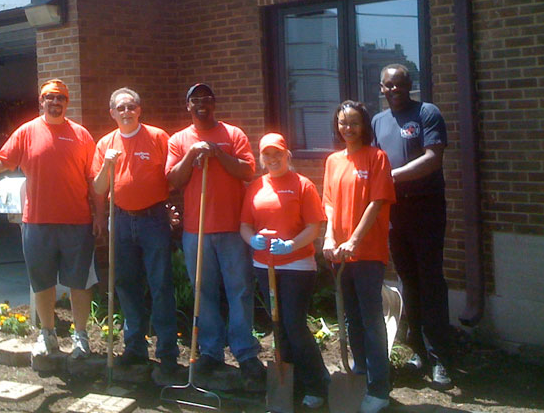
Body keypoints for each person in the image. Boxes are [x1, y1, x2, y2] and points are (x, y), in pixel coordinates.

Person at [0, 79, 101, 360]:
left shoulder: (81, 135)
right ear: (41, 101)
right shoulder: (27, 132)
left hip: (77, 222)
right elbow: (0, 161)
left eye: (61, 99)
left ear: (67, 103)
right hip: (37, 221)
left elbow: (93, 180)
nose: (56, 103)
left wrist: (99, 215)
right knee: (42, 282)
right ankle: (48, 335)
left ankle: (80, 337)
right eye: (50, 98)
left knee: (80, 283)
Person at [165, 83, 265, 387]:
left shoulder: (233, 135)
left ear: (214, 104)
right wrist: (192, 154)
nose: (201, 105)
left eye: (207, 99)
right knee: (203, 293)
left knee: (240, 291)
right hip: (196, 231)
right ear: (188, 107)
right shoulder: (179, 139)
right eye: (195, 101)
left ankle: (244, 351)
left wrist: (218, 154)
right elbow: (172, 179)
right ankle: (210, 351)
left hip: (233, 229)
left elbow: (248, 171)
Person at [372, 63, 452, 386]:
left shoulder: (427, 114)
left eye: (400, 84)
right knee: (408, 283)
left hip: (427, 211)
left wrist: (390, 177)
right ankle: (418, 351)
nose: (394, 90)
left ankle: (440, 359)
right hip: (395, 214)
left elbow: (433, 158)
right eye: (389, 86)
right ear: (381, 88)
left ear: (410, 85)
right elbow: (373, 162)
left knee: (431, 282)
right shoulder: (378, 122)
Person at [92, 87, 180, 378]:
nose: (126, 112)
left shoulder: (157, 137)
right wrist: (108, 164)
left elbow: (172, 177)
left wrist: (171, 209)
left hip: (153, 219)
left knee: (160, 284)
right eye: (120, 108)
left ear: (139, 110)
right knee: (126, 284)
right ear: (112, 113)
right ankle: (134, 348)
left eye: (131, 106)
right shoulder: (106, 143)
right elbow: (99, 188)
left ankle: (167, 352)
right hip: (120, 219)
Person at [240, 132, 330, 409]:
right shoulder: (255, 187)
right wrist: (251, 239)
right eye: (267, 154)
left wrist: (290, 245)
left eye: (277, 153)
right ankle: (291, 382)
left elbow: (314, 227)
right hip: (264, 266)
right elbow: (245, 224)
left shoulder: (302, 185)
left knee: (293, 324)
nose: (272, 158)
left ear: (287, 155)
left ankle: (318, 382)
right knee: (278, 326)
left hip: (297, 266)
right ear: (261, 158)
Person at [322, 100, 395, 413]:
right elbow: (329, 204)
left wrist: (355, 239)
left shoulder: (377, 158)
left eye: (353, 122)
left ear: (364, 125)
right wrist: (329, 237)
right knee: (351, 317)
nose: (347, 128)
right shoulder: (333, 161)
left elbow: (377, 202)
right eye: (342, 122)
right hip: (340, 252)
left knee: (370, 319)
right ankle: (361, 370)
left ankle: (380, 389)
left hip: (367, 252)